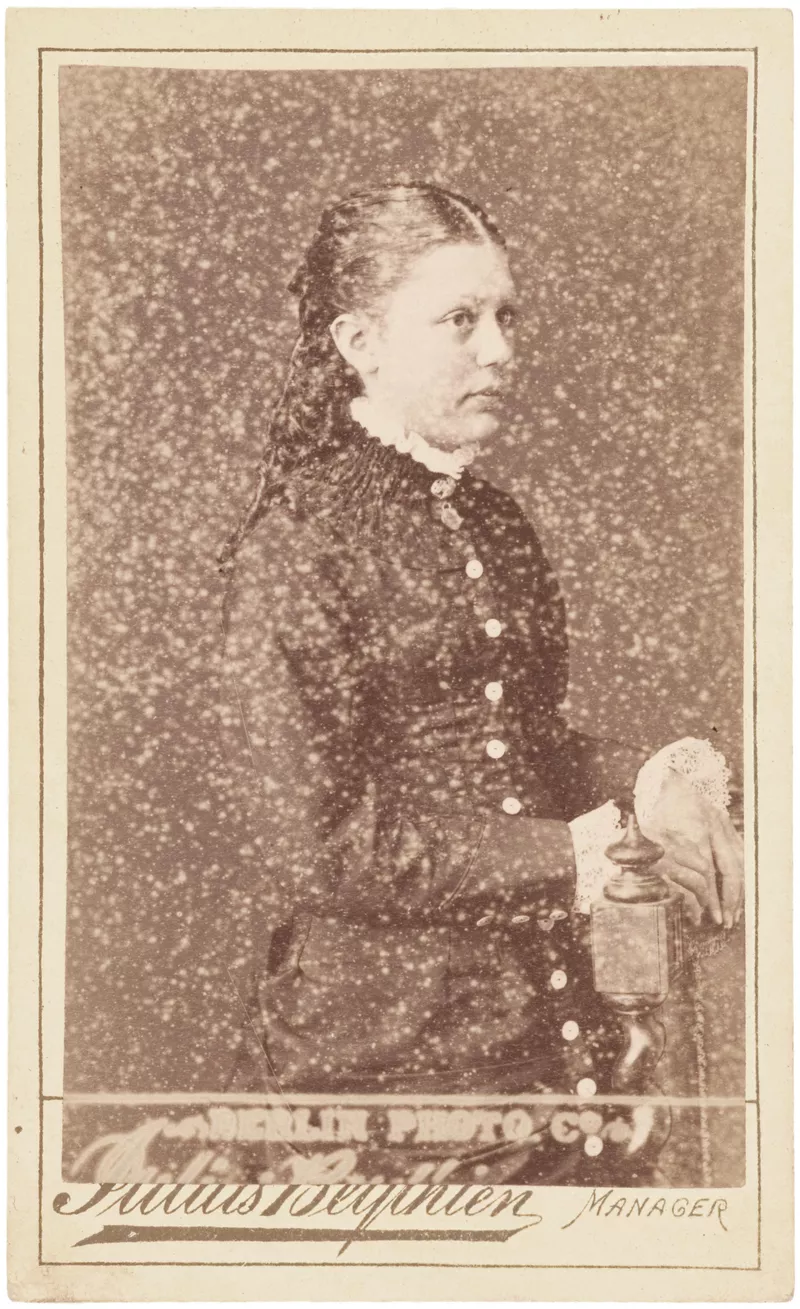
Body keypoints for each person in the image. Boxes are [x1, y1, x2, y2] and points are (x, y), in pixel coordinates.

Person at [216, 182, 743, 1181]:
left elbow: (525, 744)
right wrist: (577, 851)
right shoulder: (297, 545)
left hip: (545, 1036)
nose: (499, 349)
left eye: (506, 315)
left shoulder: (495, 522)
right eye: (460, 319)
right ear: (361, 343)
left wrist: (660, 779)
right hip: (380, 1063)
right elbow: (317, 844)